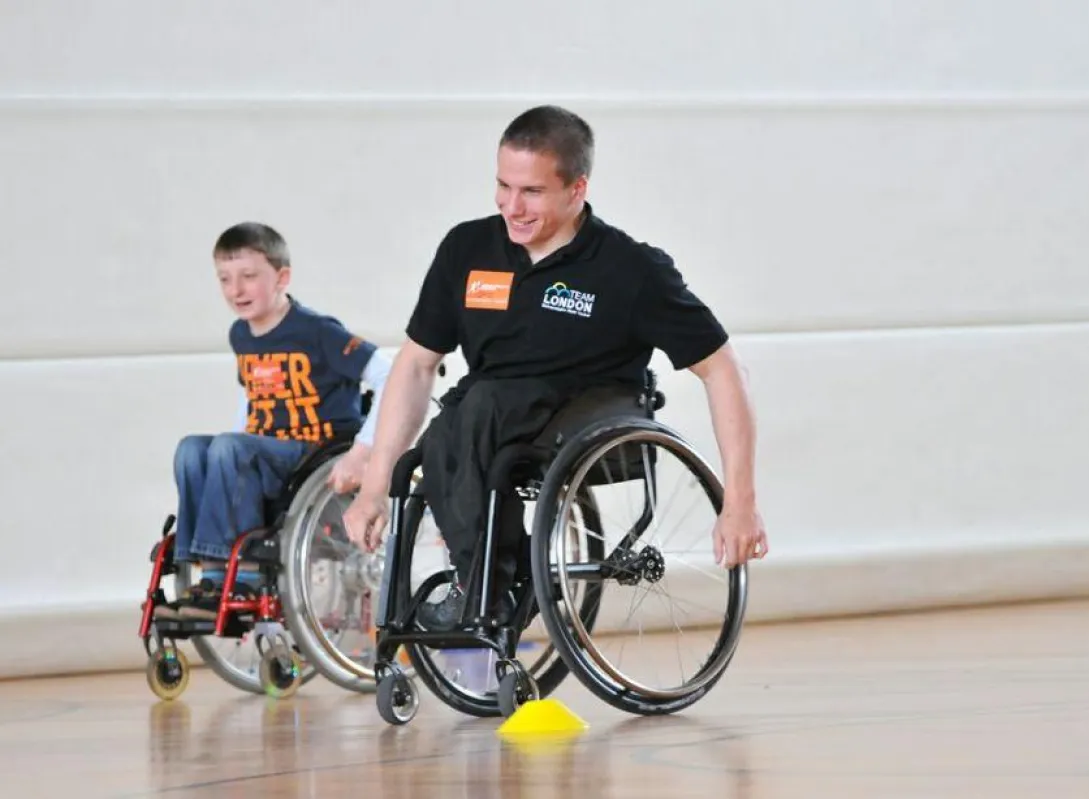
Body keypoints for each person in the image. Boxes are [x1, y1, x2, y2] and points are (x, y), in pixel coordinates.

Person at [342, 105, 767, 631]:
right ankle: (491, 577)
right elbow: (414, 365)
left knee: (475, 410)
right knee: (441, 439)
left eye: (532, 192)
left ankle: (490, 586)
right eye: (503, 186)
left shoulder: (631, 270)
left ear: (576, 189)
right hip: (487, 412)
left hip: (586, 410)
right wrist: (374, 486)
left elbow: (725, 371)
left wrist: (739, 502)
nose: (512, 207)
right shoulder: (466, 250)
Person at [159, 222, 392, 620]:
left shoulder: (317, 331)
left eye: (249, 277)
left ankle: (238, 572)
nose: (237, 290)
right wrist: (228, 449)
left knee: (230, 448)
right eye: (225, 279)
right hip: (268, 450)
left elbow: (387, 374)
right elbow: (249, 395)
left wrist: (365, 447)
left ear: (282, 277)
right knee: (192, 449)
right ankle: (206, 566)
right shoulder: (241, 335)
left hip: (315, 451)